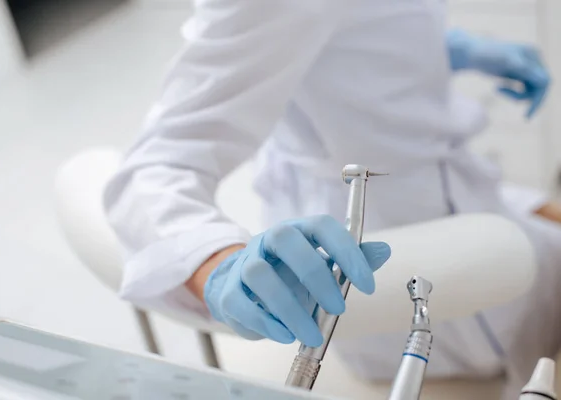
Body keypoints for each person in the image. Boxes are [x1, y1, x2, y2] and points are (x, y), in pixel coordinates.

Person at [102, 1, 556, 398]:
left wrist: (442, 48)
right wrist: (217, 265)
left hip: (453, 187)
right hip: (408, 262)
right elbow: (154, 169)